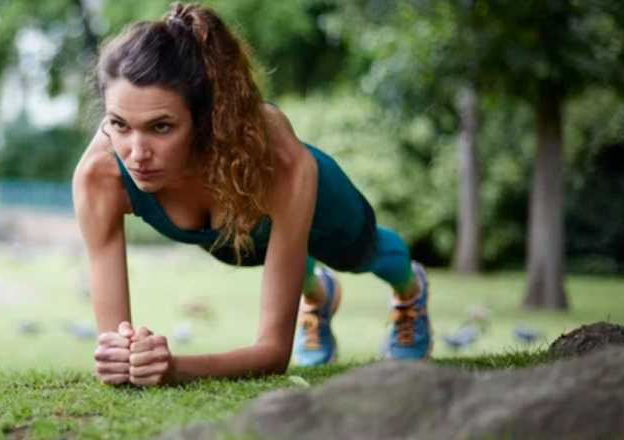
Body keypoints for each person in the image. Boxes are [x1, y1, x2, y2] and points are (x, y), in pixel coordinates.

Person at [73, 3, 432, 387]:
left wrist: (174, 367)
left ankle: (410, 291)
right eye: (119, 125)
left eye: (161, 127)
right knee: (269, 256)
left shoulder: (282, 162)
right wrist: (123, 357)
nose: (136, 154)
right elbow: (114, 340)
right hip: (237, 240)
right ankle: (318, 295)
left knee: (366, 253)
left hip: (320, 203)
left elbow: (273, 354)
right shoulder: (100, 177)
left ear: (206, 117)